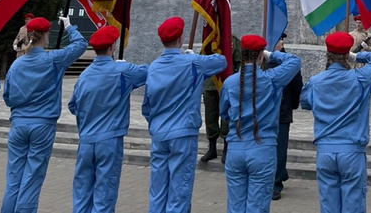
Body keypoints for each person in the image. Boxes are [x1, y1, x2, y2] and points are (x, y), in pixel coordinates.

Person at [0, 15, 87, 213]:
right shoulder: (53, 60)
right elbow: (81, 44)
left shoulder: (17, 65)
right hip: (42, 124)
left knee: (13, 179)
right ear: (46, 36)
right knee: (32, 178)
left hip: (19, 123)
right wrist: (69, 27)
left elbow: (7, 97)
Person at [141, 16, 227, 213]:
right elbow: (221, 62)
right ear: (180, 39)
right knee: (179, 192)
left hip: (159, 134)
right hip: (182, 135)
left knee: (158, 191)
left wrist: (157, 122)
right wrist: (193, 55)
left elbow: (147, 106)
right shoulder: (192, 62)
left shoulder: (154, 67)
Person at [300, 31, 371, 213]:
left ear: (327, 53)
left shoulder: (315, 82)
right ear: (346, 53)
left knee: (328, 205)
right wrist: (356, 55)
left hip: (325, 150)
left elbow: (305, 103)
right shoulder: (360, 78)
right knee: (353, 205)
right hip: (351, 150)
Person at [68, 25, 148, 213]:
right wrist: (123, 65)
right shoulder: (121, 70)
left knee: (82, 194)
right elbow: (145, 73)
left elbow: (73, 106)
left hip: (86, 140)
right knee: (104, 194)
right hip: (109, 140)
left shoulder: (84, 76)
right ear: (113, 47)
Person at [220, 34, 302, 213]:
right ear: (259, 55)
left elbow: (224, 114)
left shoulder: (229, 83)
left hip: (236, 147)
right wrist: (271, 54)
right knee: (257, 207)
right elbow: (295, 62)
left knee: (235, 206)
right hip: (262, 148)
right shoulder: (271, 78)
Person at [268, 34, 303, 202]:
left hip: (282, 111)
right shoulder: (261, 61)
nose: (280, 43)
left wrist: (292, 105)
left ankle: (276, 184)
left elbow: (297, 86)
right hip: (265, 114)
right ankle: (278, 174)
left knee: (279, 150)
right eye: (278, 39)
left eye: (281, 40)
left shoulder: (289, 63)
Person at [200, 34, 242, 165]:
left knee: (226, 117)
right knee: (210, 117)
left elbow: (239, 61)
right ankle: (212, 148)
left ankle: (226, 148)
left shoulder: (233, 40)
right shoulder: (208, 36)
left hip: (227, 83)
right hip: (210, 84)